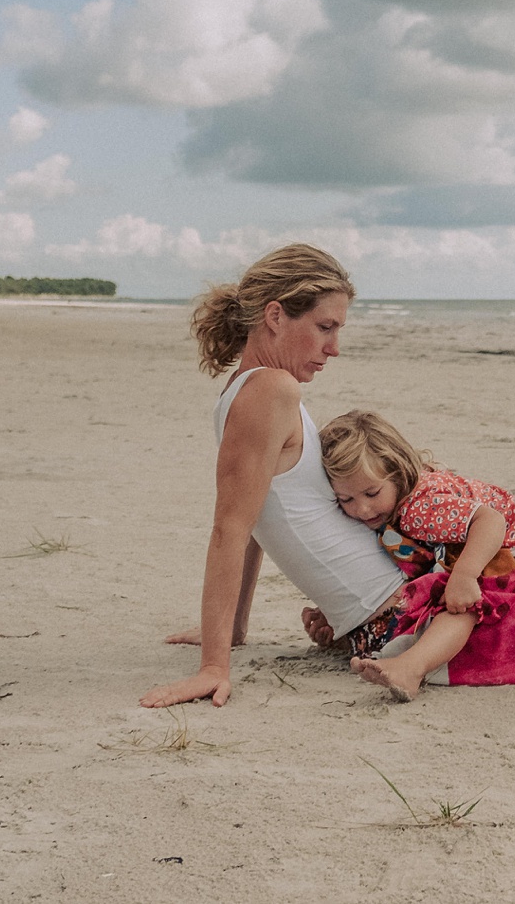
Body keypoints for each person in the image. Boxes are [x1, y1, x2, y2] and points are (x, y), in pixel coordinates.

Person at [141, 243, 407, 709]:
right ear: (276, 316)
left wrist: (234, 629)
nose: (335, 348)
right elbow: (230, 529)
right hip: (405, 617)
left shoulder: (250, 391)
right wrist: (212, 667)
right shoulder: (271, 389)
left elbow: (256, 521)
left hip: (388, 618)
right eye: (325, 327)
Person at [318, 410, 515, 700]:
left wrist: (465, 577)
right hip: (473, 553)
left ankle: (412, 668)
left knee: (466, 600)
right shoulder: (390, 508)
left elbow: (491, 521)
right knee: (438, 593)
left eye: (371, 493)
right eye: (346, 499)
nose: (363, 509)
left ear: (397, 472)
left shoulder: (420, 507)